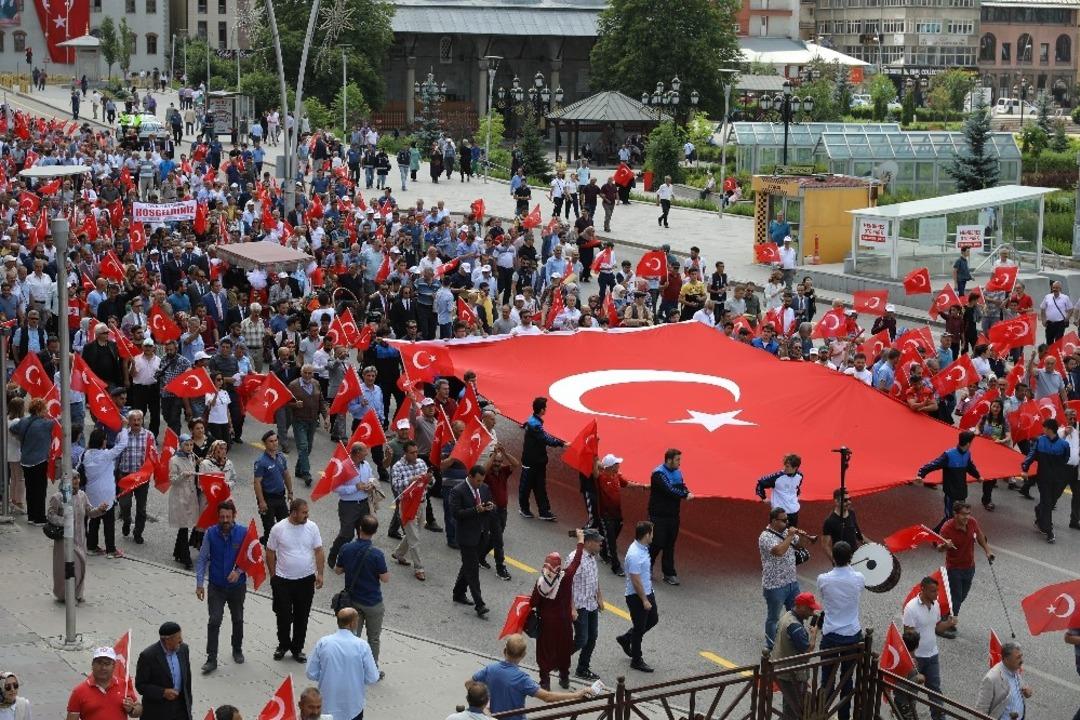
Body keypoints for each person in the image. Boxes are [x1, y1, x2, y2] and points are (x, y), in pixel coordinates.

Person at [471, 635, 589, 720]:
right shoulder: (522, 679)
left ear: (504, 651)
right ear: (523, 655)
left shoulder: (491, 669)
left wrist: (484, 706)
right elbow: (548, 697)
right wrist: (577, 695)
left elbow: (469, 684)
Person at [266, 498, 325, 662]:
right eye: (304, 512)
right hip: (283, 580)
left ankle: (297, 648)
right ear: (293, 513)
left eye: (307, 512)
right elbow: (270, 552)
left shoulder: (312, 527)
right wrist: (273, 576)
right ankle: (283, 645)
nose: (307, 515)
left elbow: (319, 551)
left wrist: (320, 574)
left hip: (306, 580)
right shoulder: (278, 529)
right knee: (283, 615)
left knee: (302, 616)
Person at [194, 500, 247, 675]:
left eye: (228, 517)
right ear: (218, 517)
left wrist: (239, 571)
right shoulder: (210, 533)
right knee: (214, 620)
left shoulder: (243, 533)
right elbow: (202, 558)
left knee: (238, 618)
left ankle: (237, 648)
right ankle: (211, 658)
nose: (225, 520)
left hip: (237, 586)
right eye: (222, 517)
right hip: (216, 586)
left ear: (234, 516)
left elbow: (251, 557)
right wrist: (200, 583)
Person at [816, 541, 866, 720]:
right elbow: (858, 583)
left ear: (833, 557)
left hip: (830, 635)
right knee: (847, 680)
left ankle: (823, 714)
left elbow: (824, 597)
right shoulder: (859, 578)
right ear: (850, 558)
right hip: (852, 635)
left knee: (826, 680)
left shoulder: (823, 579)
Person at [530, 529, 586, 689]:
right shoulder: (566, 576)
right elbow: (576, 561)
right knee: (563, 649)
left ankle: (545, 681)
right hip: (564, 622)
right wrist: (580, 541)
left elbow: (533, 602)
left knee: (544, 651)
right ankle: (564, 678)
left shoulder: (541, 582)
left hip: (546, 623)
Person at [334, 514, 389, 667]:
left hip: (352, 601)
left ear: (359, 529)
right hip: (373, 602)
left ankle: (350, 666)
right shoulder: (377, 554)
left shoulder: (346, 548)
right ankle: (372, 668)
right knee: (373, 638)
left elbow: (338, 570)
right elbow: (385, 578)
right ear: (374, 532)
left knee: (352, 636)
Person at [305, 608, 380, 720]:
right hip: (353, 705)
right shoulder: (362, 646)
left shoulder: (324, 642)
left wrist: (327, 676)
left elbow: (311, 673)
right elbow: (372, 677)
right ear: (352, 623)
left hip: (327, 703)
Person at [47, 466, 108, 602]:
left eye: (78, 477)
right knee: (69, 569)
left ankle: (77, 594)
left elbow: (90, 512)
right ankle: (66, 595)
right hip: (65, 540)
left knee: (80, 568)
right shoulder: (57, 497)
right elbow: (50, 516)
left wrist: (100, 509)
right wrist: (65, 521)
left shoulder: (82, 495)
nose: (76, 480)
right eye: (73, 478)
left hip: (80, 538)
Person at [903, 576, 957, 720]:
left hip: (932, 656)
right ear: (923, 589)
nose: (936, 594)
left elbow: (937, 629)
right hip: (917, 658)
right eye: (933, 591)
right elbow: (908, 637)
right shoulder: (911, 608)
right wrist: (911, 659)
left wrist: (949, 624)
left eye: (937, 591)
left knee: (935, 693)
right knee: (912, 693)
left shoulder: (936, 605)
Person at [934, 501, 993, 625]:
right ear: (955, 514)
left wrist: (988, 551)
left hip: (970, 567)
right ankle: (948, 623)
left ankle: (944, 614)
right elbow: (939, 548)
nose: (967, 517)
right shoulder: (947, 528)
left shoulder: (972, 522)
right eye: (963, 514)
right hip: (954, 569)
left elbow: (980, 537)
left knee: (962, 597)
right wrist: (945, 545)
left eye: (968, 514)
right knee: (956, 598)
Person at [759, 508, 809, 650]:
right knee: (773, 617)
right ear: (774, 521)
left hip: (792, 582)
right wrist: (790, 536)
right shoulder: (765, 537)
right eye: (784, 520)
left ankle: (795, 639)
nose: (788, 522)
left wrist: (804, 537)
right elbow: (779, 551)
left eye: (788, 520)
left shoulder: (788, 532)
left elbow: (799, 545)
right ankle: (771, 646)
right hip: (775, 585)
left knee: (797, 613)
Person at [916, 430, 981, 533]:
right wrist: (921, 474)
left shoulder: (967, 454)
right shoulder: (949, 455)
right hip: (951, 493)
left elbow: (970, 467)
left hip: (961, 492)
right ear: (968, 443)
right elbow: (934, 464)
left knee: (958, 516)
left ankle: (945, 535)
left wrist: (978, 476)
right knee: (950, 517)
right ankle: (936, 535)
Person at [450, 464, 493, 618]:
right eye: (478, 481)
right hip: (466, 536)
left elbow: (487, 503)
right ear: (470, 476)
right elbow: (456, 513)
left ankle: (458, 592)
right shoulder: (458, 490)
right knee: (473, 569)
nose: (480, 484)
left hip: (481, 534)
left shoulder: (484, 488)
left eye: (482, 481)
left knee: (468, 566)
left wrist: (489, 507)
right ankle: (479, 604)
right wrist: (476, 510)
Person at [615, 521, 659, 672]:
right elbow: (635, 580)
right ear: (647, 535)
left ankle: (626, 638)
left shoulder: (643, 548)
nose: (653, 535)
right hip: (637, 596)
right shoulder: (634, 554)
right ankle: (636, 659)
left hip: (647, 591)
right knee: (639, 628)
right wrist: (644, 600)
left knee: (653, 619)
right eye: (652, 532)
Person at [770, 592, 821, 720]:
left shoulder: (788, 616)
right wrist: (814, 634)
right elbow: (808, 649)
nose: (812, 612)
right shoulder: (795, 627)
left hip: (781, 669)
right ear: (801, 607)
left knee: (790, 706)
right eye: (810, 609)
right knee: (793, 710)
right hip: (791, 674)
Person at [326, 443, 377, 569]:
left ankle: (358, 559)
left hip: (364, 504)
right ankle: (334, 554)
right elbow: (335, 487)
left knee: (364, 534)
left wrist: (371, 485)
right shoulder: (344, 466)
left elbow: (371, 477)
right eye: (365, 451)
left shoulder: (366, 465)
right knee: (347, 535)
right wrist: (355, 487)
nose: (368, 453)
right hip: (348, 506)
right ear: (357, 452)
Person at [1021, 418, 1071, 543]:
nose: (1042, 429)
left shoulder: (1064, 445)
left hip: (1058, 479)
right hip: (1043, 478)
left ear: (1049, 429)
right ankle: (1048, 531)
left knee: (1051, 501)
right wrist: (1025, 468)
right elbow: (1031, 455)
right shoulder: (1039, 441)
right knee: (1048, 503)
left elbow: (1066, 459)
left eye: (1044, 427)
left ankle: (1039, 510)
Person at [84, 426, 130, 559]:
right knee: (109, 523)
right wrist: (124, 429)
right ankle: (111, 550)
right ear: (102, 442)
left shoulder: (86, 455)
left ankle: (91, 547)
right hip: (106, 495)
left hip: (91, 493)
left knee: (94, 521)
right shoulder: (106, 455)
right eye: (105, 440)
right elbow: (122, 445)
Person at [648, 448, 692, 586]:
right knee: (657, 543)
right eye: (677, 459)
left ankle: (669, 573)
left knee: (669, 544)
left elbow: (682, 486)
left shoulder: (678, 473)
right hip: (658, 516)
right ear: (669, 460)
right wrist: (685, 495)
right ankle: (646, 568)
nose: (680, 463)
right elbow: (669, 490)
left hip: (673, 515)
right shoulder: (658, 474)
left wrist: (687, 491)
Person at [9, 398, 56, 525]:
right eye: (45, 409)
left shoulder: (23, 421)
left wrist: (20, 439)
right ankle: (39, 518)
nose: (47, 411)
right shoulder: (46, 424)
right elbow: (60, 422)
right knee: (40, 490)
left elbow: (12, 429)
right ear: (39, 410)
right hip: (40, 461)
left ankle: (31, 516)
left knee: (30, 489)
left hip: (25, 460)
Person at [518, 397, 566, 521]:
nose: (546, 409)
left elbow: (529, 424)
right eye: (545, 407)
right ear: (542, 409)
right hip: (531, 461)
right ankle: (524, 509)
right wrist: (561, 443)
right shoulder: (535, 425)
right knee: (526, 486)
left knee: (539, 486)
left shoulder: (532, 420)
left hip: (538, 461)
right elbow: (546, 439)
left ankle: (544, 511)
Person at [134, 622, 192, 720]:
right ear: (167, 640)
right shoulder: (148, 656)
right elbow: (140, 686)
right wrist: (163, 692)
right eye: (178, 638)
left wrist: (188, 705)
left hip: (181, 709)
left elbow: (187, 680)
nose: (181, 640)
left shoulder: (183, 649)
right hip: (158, 711)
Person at [66, 647, 142, 720]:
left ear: (114, 666)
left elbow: (139, 709)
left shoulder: (123, 685)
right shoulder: (79, 692)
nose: (103, 667)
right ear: (92, 664)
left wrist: (132, 709)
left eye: (107, 664)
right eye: (99, 663)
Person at [570, 528, 604, 681]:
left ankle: (583, 668)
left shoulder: (591, 557)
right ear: (589, 542)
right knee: (582, 638)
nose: (601, 544)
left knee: (592, 637)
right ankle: (559, 658)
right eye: (598, 542)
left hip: (591, 604)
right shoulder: (574, 558)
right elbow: (567, 585)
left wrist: (600, 597)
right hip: (579, 605)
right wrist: (571, 607)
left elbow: (594, 579)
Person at [254, 430, 294, 544]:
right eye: (271, 441)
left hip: (280, 497)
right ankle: (269, 550)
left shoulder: (281, 457)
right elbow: (257, 483)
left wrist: (290, 492)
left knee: (285, 525)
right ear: (265, 443)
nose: (274, 443)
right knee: (269, 528)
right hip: (268, 498)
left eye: (276, 440)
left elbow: (286, 475)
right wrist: (261, 502)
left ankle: (274, 544)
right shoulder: (261, 462)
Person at [975, 642, 1032, 719]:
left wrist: (1027, 693)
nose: (1022, 660)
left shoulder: (1015, 668)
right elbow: (980, 711)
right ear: (1006, 659)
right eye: (1018, 657)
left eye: (1021, 656)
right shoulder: (991, 679)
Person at [168, 434, 200, 570]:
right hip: (180, 496)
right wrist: (182, 475)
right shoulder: (174, 460)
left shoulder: (192, 457)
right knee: (183, 526)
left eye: (191, 445)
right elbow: (172, 480)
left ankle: (178, 552)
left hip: (190, 495)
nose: (189, 447)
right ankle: (186, 558)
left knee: (185, 526)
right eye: (186, 445)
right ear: (180, 445)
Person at [755, 453, 804, 527]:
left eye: (787, 466)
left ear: (795, 468)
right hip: (778, 514)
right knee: (775, 536)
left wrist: (795, 497)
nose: (784, 468)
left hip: (794, 512)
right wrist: (763, 498)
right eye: (784, 465)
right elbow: (760, 484)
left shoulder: (800, 476)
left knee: (791, 536)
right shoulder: (777, 477)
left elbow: (797, 488)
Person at [821, 488, 867, 557]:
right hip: (842, 560)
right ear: (836, 502)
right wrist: (835, 561)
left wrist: (874, 546)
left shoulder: (851, 513)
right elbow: (825, 545)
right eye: (845, 500)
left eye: (849, 499)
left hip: (855, 557)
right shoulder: (829, 521)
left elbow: (858, 534)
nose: (849, 502)